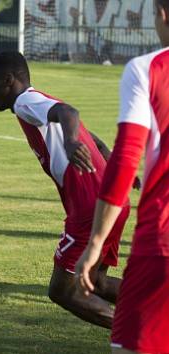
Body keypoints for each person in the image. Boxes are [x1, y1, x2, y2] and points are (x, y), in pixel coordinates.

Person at [0, 51, 131, 328]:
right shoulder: (38, 101)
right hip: (113, 199)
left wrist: (71, 143)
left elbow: (69, 113)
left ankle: (143, 334)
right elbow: (96, 142)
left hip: (91, 206)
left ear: (8, 80)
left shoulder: (25, 102)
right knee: (96, 281)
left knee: (62, 290)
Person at [76, 0, 169, 351]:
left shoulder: (148, 69)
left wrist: (96, 243)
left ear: (161, 12)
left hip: (161, 246)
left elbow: (126, 159)